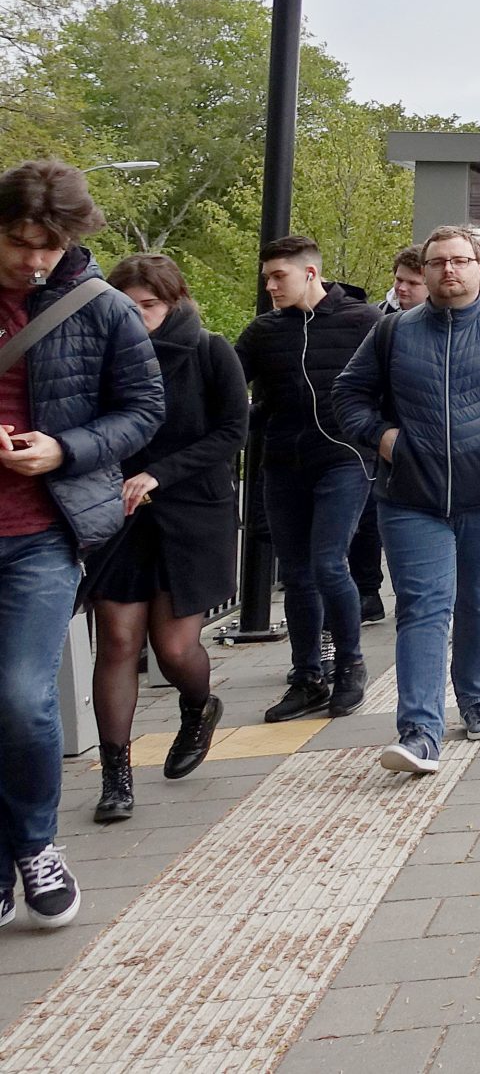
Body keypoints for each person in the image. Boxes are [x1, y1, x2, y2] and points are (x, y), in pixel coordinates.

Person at [0, 160, 165, 930]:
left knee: (21, 699)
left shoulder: (100, 307)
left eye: (50, 242)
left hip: (38, 534)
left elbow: (142, 411)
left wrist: (63, 449)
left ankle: (35, 844)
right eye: (19, 241)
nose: (34, 258)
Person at [334, 224, 480, 775]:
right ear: (426, 270)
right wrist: (384, 438)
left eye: (460, 261)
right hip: (409, 496)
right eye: (438, 263)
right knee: (423, 608)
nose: (449, 271)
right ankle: (419, 733)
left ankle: (476, 700)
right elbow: (348, 394)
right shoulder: (393, 333)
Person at [87, 254, 245, 823]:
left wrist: (162, 472)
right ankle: (116, 777)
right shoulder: (103, 357)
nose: (136, 317)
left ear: (174, 301)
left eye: (147, 307)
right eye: (125, 308)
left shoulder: (209, 350)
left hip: (194, 512)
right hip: (121, 516)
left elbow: (233, 431)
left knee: (175, 648)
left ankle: (199, 707)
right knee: (118, 643)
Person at [235, 235, 380, 723]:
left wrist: (383, 439)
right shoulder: (263, 333)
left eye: (280, 277)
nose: (272, 286)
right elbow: (229, 394)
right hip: (283, 463)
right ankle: (307, 676)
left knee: (327, 562)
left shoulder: (364, 322)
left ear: (311, 273)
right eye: (267, 279)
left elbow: (392, 386)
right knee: (296, 572)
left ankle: (350, 666)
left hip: (344, 458)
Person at [354, 244, 427, 626]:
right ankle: (376, 592)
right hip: (386, 446)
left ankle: (426, 603)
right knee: (373, 520)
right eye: (398, 280)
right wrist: (377, 432)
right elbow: (352, 389)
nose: (401, 289)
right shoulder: (380, 324)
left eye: (411, 283)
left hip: (443, 458)